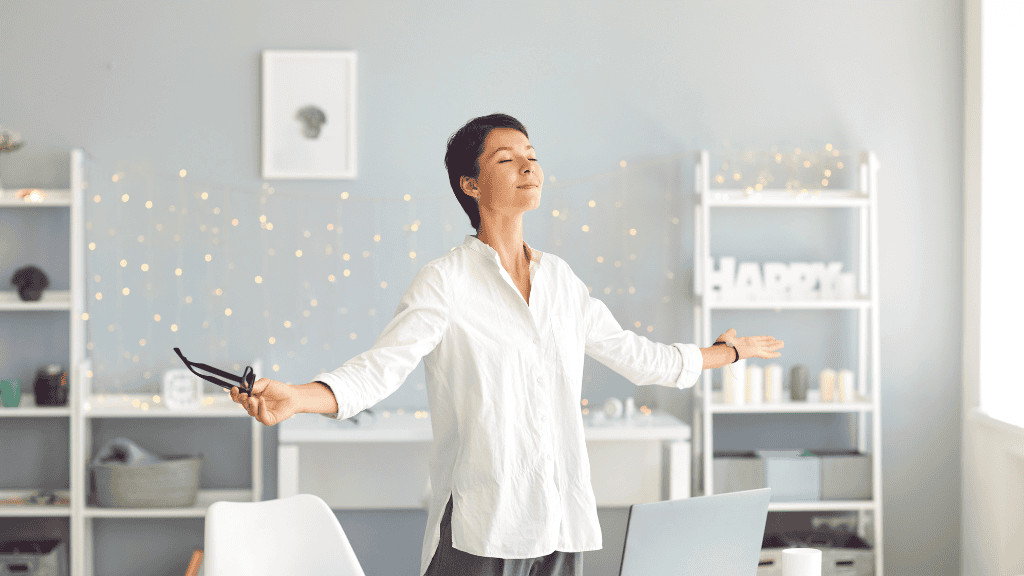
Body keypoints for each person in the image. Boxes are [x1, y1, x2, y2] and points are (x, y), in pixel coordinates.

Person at [230, 113, 785, 576]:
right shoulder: (445, 281)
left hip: (561, 520)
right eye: (505, 159)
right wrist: (299, 397)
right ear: (470, 185)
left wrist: (726, 352)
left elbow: (639, 357)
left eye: (532, 154)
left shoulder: (562, 282)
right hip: (482, 521)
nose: (528, 165)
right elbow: (379, 370)